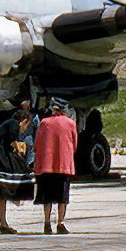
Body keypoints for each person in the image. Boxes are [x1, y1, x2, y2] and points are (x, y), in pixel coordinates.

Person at [33, 100, 77, 234]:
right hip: (63, 163)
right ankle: (60, 223)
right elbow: (74, 144)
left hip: (46, 164)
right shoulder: (70, 123)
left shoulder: (44, 123)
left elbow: (37, 144)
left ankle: (47, 223)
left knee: (47, 196)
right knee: (62, 196)